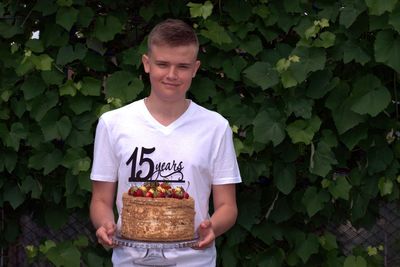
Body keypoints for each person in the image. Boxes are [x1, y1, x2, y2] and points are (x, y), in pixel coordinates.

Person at [90, 18, 242, 267]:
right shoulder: (113, 123)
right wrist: (104, 224)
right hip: (130, 259)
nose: (172, 75)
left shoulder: (215, 127)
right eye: (162, 64)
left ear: (195, 68)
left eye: (182, 66)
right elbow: (101, 200)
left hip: (194, 260)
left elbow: (227, 205)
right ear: (147, 64)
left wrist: (212, 226)